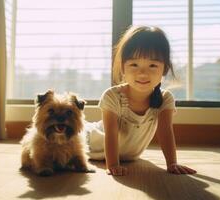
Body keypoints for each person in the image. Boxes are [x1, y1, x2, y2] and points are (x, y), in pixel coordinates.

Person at [84, 25, 197, 176]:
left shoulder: (165, 99)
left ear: (164, 69)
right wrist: (112, 165)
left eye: (152, 65)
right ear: (123, 67)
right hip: (87, 142)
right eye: (134, 64)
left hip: (129, 157)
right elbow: (111, 133)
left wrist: (172, 163)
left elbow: (165, 131)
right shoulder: (112, 96)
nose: (143, 73)